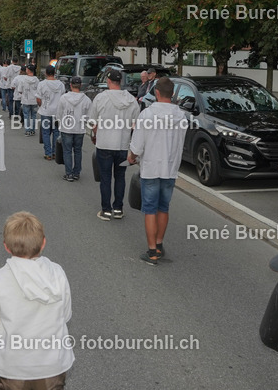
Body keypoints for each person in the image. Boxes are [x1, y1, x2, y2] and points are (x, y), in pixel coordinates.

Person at [0, 211, 73, 390]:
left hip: (13, 368)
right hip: (52, 366)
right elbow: (65, 315)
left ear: (6, 247)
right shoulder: (58, 274)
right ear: (43, 243)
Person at [127, 79, 187, 264]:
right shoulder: (181, 116)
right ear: (173, 94)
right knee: (163, 207)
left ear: (158, 93)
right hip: (170, 168)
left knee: (150, 209)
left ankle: (152, 251)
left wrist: (132, 156)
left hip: (151, 168)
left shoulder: (147, 114)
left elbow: (138, 144)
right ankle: (159, 244)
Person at [89, 68, 140, 221]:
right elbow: (135, 124)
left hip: (104, 143)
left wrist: (95, 135)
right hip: (122, 145)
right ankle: (118, 208)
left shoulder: (100, 98)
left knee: (105, 178)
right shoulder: (131, 100)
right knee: (120, 177)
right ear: (121, 82)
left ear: (108, 81)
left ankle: (106, 210)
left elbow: (93, 121)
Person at [56, 76, 92, 181]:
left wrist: (60, 122)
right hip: (79, 128)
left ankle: (69, 173)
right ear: (80, 86)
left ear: (71, 85)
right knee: (77, 150)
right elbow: (89, 116)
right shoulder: (86, 100)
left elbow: (59, 114)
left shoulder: (64, 98)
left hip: (66, 127)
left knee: (67, 151)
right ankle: (76, 172)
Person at [36, 65, 66, 161]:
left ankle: (48, 153)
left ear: (46, 73)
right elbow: (63, 98)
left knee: (45, 133)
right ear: (54, 73)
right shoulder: (61, 85)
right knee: (56, 132)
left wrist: (41, 106)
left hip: (46, 111)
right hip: (57, 112)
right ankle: (54, 153)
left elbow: (38, 98)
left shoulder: (42, 84)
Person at [13, 64, 39, 137]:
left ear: (28, 70)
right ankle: (32, 130)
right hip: (34, 100)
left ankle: (27, 130)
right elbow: (39, 91)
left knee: (26, 115)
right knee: (33, 115)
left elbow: (20, 90)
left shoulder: (23, 80)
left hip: (25, 100)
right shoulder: (36, 80)